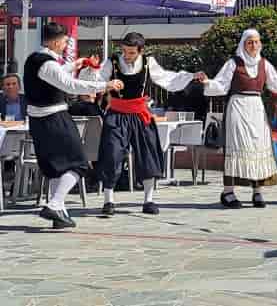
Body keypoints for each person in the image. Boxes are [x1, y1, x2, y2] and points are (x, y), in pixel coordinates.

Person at [80, 32, 204, 216]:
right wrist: (97, 74)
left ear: (141, 51)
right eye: (124, 51)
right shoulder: (112, 62)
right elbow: (96, 79)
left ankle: (148, 200)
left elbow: (167, 78)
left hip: (140, 114)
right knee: (112, 154)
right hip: (117, 114)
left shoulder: (148, 63)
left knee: (148, 155)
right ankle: (108, 200)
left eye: (131, 52)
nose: (127, 56)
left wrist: (191, 76)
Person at [23, 22, 123, 229]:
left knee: (55, 168)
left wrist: (75, 65)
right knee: (79, 164)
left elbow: (55, 75)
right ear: (55, 42)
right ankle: (55, 204)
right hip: (55, 119)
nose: (66, 45)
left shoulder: (34, 59)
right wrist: (105, 85)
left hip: (38, 121)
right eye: (65, 42)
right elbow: (70, 85)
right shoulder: (48, 63)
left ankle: (59, 215)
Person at [202, 29, 277, 209]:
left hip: (256, 108)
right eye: (249, 42)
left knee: (258, 146)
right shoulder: (233, 63)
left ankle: (257, 192)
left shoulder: (264, 64)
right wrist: (207, 82)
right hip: (238, 107)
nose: (253, 45)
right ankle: (228, 192)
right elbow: (221, 85)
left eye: (256, 42)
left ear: (260, 44)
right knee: (237, 147)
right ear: (243, 44)